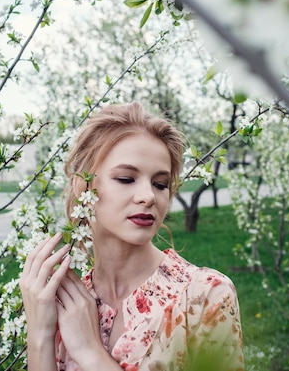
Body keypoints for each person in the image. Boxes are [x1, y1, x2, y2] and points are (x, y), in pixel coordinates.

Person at [19, 102, 244, 371]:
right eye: (126, 179)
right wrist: (39, 336)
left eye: (160, 184)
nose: (149, 196)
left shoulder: (205, 296)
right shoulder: (66, 301)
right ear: (83, 188)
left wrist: (91, 353)